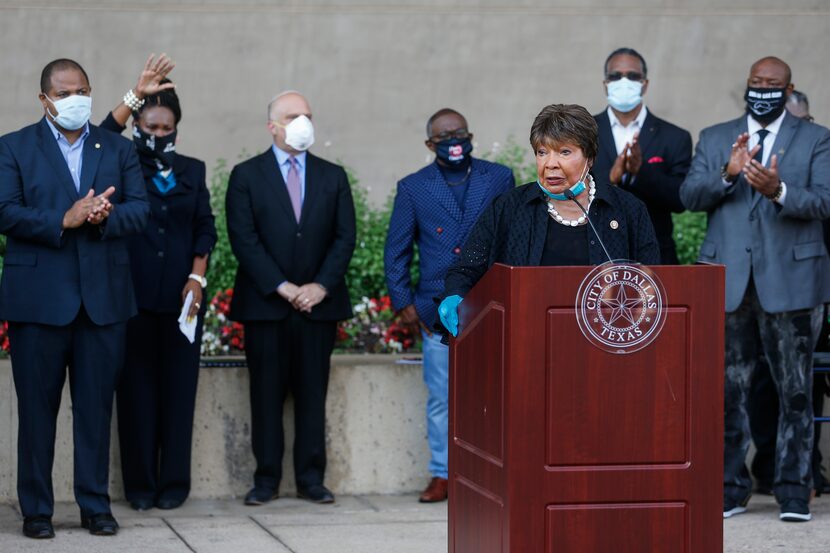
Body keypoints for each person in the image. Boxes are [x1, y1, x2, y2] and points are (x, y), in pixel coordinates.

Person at [0, 59, 149, 538]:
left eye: (82, 90)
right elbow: (5, 212)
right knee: (37, 413)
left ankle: (94, 505)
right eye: (65, 93)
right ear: (45, 99)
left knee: (95, 410)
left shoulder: (117, 149)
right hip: (38, 304)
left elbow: (140, 211)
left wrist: (106, 216)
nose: (75, 100)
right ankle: (37, 511)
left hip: (102, 302)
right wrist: (62, 219)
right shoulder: (14, 147)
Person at [680, 57, 830, 523]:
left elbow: (824, 200)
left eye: (773, 84)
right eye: (756, 83)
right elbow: (689, 196)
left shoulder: (816, 138)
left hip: (791, 282)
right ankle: (729, 490)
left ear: (789, 90)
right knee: (729, 392)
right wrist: (728, 173)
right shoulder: (714, 135)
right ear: (747, 86)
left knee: (796, 393)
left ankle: (791, 491)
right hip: (727, 282)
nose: (763, 89)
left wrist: (779, 190)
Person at [99, 55, 217, 511]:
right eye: (150, 126)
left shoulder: (193, 170)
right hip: (132, 300)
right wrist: (134, 97)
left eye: (165, 129)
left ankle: (174, 484)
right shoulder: (121, 164)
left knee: (178, 395)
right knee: (136, 396)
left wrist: (197, 275)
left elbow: (205, 228)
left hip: (183, 301)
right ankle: (140, 486)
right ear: (139, 126)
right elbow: (100, 137)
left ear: (176, 130)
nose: (157, 135)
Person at [226, 90, 355, 506]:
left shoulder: (333, 176)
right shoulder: (246, 175)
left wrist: (319, 286)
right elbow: (243, 240)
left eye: (309, 115)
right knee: (265, 395)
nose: (304, 122)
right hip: (267, 305)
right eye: (294, 115)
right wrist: (283, 287)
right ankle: (265, 480)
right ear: (273, 126)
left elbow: (344, 237)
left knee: (312, 394)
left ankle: (311, 479)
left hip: (319, 307)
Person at [438, 103, 660, 336]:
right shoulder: (508, 208)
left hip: (607, 344)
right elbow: (465, 270)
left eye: (564, 152)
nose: (550, 163)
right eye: (542, 152)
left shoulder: (627, 210)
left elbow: (653, 283)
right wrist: (455, 296)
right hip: (527, 341)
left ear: (590, 158)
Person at [384, 108, 514, 503]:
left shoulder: (499, 177)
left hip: (489, 303)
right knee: (442, 397)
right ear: (429, 144)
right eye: (444, 136)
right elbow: (397, 251)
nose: (453, 140)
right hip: (435, 308)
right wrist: (404, 303)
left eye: (459, 133)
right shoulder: (413, 187)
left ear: (471, 134)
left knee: (493, 395)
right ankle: (443, 474)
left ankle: (492, 473)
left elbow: (514, 236)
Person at [748, 88, 828, 496]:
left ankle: (806, 472)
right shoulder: (752, 155)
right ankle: (766, 467)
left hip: (808, 287)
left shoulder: (818, 154)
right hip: (759, 288)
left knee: (801, 385)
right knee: (761, 382)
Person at [592, 47, 691, 264]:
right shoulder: (583, 132)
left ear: (644, 84)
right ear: (605, 84)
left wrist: (640, 172)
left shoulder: (675, 137)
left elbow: (681, 198)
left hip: (655, 255)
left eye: (633, 76)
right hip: (595, 253)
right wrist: (610, 179)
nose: (624, 81)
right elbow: (568, 189)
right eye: (616, 76)